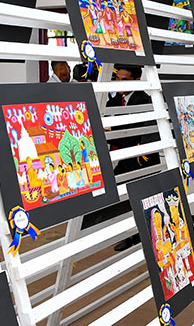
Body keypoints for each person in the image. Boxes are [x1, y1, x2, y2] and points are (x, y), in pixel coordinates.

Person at [81, 64, 161, 251]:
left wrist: (114, 130)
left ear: (136, 81)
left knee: (142, 200)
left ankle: (142, 237)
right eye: (117, 79)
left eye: (124, 80)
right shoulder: (112, 102)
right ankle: (128, 235)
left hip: (142, 161)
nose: (119, 83)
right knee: (121, 198)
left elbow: (140, 133)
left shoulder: (146, 101)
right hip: (121, 159)